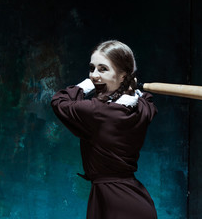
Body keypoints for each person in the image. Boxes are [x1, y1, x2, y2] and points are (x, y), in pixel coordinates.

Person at [51, 40, 158, 219]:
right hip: (135, 200)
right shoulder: (142, 109)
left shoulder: (97, 112)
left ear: (123, 76)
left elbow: (58, 101)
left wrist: (86, 85)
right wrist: (131, 89)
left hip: (113, 204)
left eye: (103, 69)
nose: (94, 75)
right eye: (92, 68)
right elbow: (147, 100)